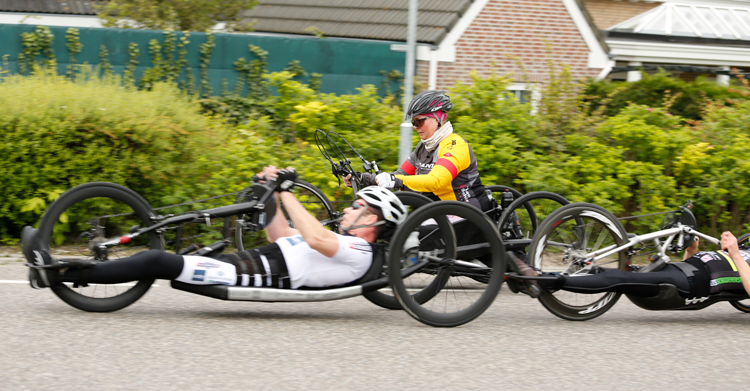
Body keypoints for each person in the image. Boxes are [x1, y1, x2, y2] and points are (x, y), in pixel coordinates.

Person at [24, 166, 407, 290]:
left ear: (373, 219)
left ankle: (55, 273)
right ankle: (57, 269)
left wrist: (289, 194)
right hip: (252, 261)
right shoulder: (340, 244)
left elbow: (313, 237)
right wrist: (269, 194)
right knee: (161, 258)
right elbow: (285, 238)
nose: (346, 209)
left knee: (156, 260)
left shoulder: (358, 252)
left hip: (247, 276)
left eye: (356, 206)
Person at [345, 90, 491, 212]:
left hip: (467, 210)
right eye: (414, 122)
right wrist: (362, 178)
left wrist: (397, 180)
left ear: (439, 119)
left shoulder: (454, 145)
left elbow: (436, 181)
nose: (415, 126)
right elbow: (398, 177)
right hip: (439, 211)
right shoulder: (423, 147)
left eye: (420, 121)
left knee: (419, 235)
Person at [545, 232, 750, 299]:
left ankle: (554, 282)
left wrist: (734, 253)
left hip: (691, 281)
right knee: (603, 270)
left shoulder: (741, 256)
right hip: (683, 268)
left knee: (619, 279)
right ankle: (545, 274)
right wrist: (692, 250)